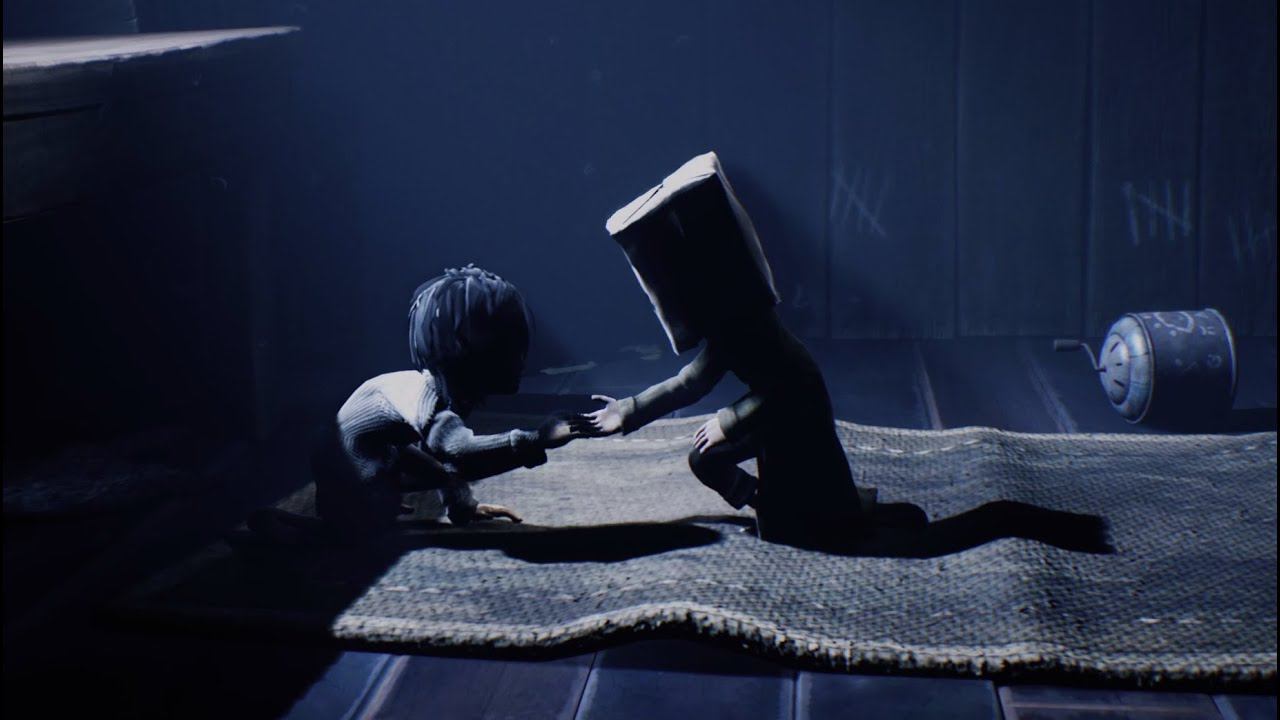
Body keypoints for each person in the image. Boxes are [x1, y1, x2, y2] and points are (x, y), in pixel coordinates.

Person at [586, 152, 876, 552]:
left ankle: (797, 512)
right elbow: (690, 382)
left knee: (796, 492)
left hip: (796, 405)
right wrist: (628, 411)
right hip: (772, 405)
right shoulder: (727, 328)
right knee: (705, 460)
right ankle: (765, 501)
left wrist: (729, 420)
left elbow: (789, 385)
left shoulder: (751, 321)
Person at [261, 265, 592, 544]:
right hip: (353, 464)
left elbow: (446, 464)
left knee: (437, 472)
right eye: (510, 349)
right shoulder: (425, 394)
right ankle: (328, 523)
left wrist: (463, 505)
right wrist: (538, 439)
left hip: (376, 454)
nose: (521, 360)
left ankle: (341, 517)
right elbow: (457, 450)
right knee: (365, 533)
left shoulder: (438, 393)